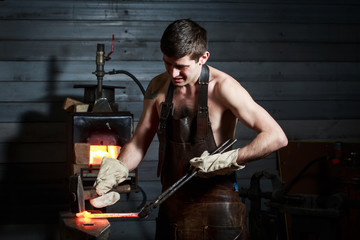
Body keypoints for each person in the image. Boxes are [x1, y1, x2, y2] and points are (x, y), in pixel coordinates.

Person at [93, 19, 288, 240]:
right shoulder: (158, 87)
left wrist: (228, 159)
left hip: (218, 207)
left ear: (203, 58)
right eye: (167, 63)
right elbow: (139, 142)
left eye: (181, 66)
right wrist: (118, 170)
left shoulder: (223, 88)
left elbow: (276, 137)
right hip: (171, 204)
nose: (173, 73)